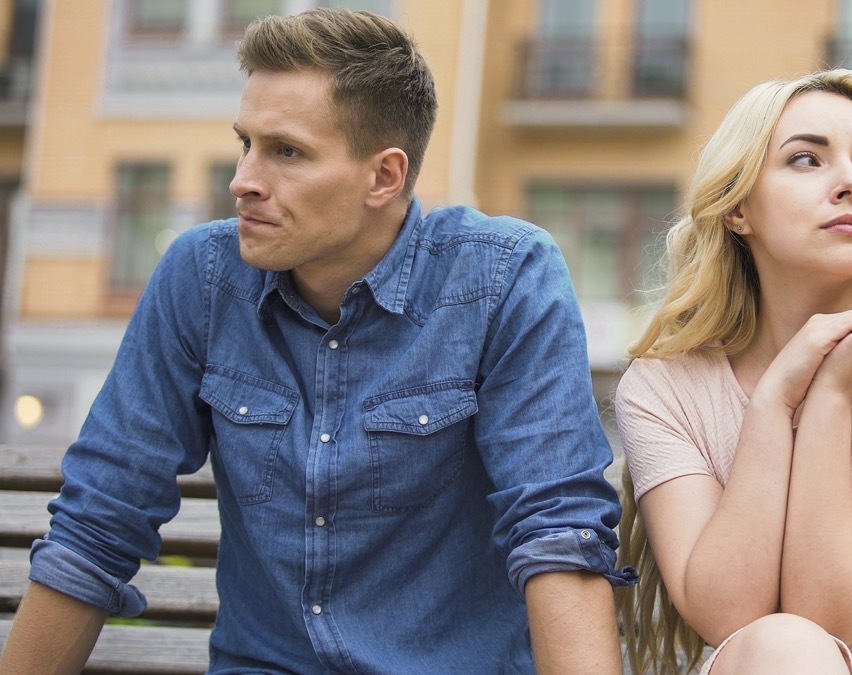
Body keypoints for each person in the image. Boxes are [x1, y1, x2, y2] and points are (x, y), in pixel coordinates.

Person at [0, 8, 634, 674]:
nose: (242, 178)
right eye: (245, 142)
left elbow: (557, 533)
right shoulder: (203, 277)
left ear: (384, 176)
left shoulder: (503, 279)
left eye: (286, 151)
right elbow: (101, 517)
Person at [613, 69, 852, 674]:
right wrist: (773, 402)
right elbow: (730, 612)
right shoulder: (666, 389)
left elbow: (829, 613)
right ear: (738, 207)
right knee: (779, 646)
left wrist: (830, 395)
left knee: (793, 641)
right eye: (807, 160)